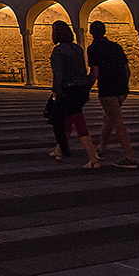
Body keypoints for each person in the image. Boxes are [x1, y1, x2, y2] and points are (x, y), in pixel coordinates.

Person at [48, 20, 100, 168]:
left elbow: (59, 74)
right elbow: (82, 70)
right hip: (81, 89)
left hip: (68, 90)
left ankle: (93, 159)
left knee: (78, 122)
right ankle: (59, 150)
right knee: (67, 120)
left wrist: (56, 92)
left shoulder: (58, 51)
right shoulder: (77, 49)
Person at [86, 20, 138, 168]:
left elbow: (95, 72)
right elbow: (127, 70)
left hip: (107, 89)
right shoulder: (116, 46)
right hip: (122, 88)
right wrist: (124, 85)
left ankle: (129, 157)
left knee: (116, 121)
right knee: (109, 117)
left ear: (91, 32)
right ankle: (101, 149)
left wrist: (86, 89)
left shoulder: (93, 48)